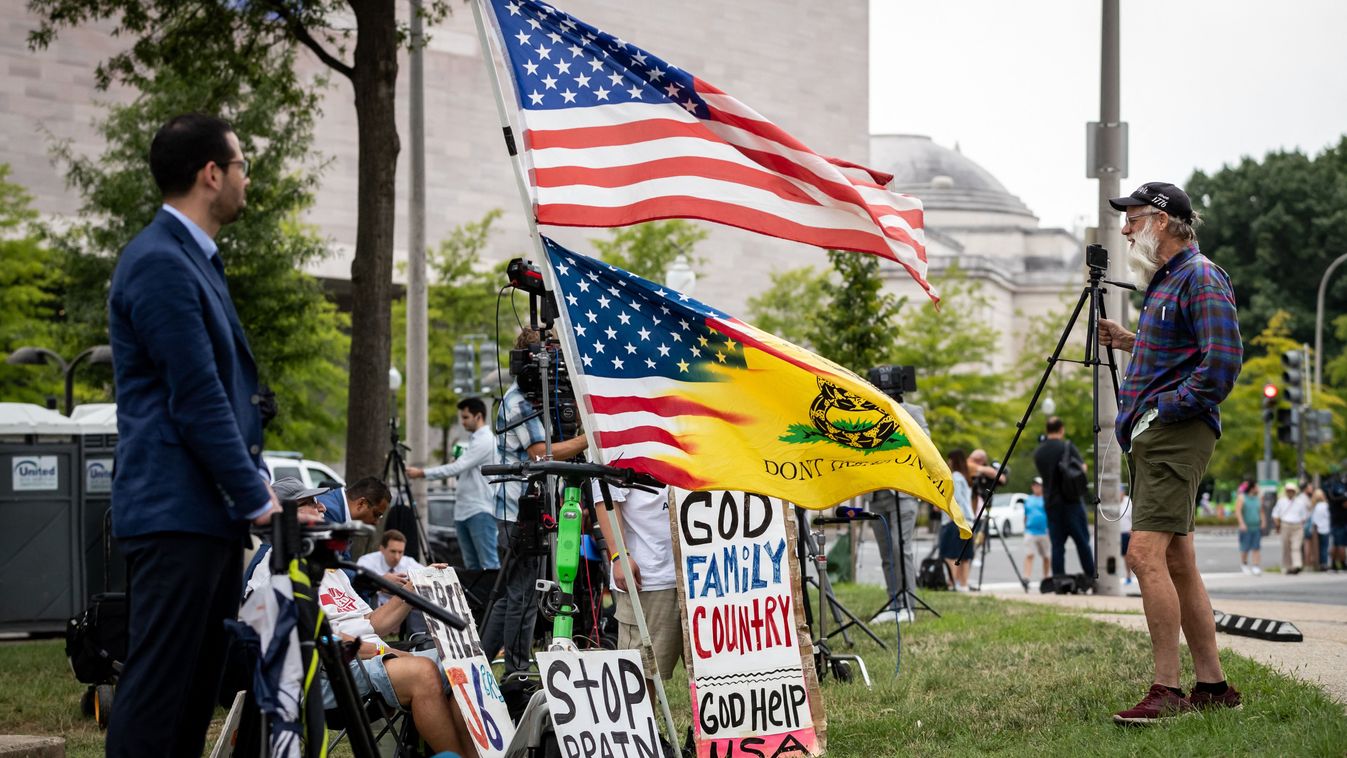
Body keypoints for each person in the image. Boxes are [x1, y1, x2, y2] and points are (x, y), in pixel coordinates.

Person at [104, 113, 282, 757]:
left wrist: (253, 478)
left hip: (204, 515)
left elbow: (219, 396)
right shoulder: (157, 261)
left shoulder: (193, 258)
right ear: (212, 174)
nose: (245, 178)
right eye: (241, 166)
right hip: (175, 514)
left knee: (189, 699)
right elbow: (197, 397)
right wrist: (256, 498)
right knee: (157, 697)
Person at [1098, 181, 1243, 723]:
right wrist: (1131, 341)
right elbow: (1181, 345)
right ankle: (1213, 686)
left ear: (1160, 223)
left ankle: (1167, 691)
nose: (1125, 227)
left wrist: (1169, 408)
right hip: (1158, 432)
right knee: (1178, 560)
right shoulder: (1167, 282)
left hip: (1173, 432)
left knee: (1143, 557)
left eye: (1132, 218)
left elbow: (1222, 361)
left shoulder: (1201, 275)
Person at [243, 533, 470, 755]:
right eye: (311, 503)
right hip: (326, 673)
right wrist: (386, 651)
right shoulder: (275, 571)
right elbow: (312, 638)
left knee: (458, 663)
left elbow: (371, 623)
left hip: (371, 662)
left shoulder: (332, 569)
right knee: (423, 671)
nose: (322, 508)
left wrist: (413, 587)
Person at [478, 327, 588, 677]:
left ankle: (482, 661)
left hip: (524, 507)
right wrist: (591, 438)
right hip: (518, 511)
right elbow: (541, 454)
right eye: (551, 358)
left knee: (512, 593)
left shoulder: (539, 399)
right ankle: (517, 671)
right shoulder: (517, 402)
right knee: (522, 596)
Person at [592, 480, 681, 681]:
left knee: (712, 671)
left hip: (704, 570)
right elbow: (606, 497)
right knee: (640, 674)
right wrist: (619, 555)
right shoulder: (614, 448)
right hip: (650, 575)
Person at [408, 397, 500, 570]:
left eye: (465, 417)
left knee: (488, 564)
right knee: (471, 566)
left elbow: (457, 467)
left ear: (478, 416)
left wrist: (422, 473)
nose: (462, 422)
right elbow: (461, 469)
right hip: (464, 511)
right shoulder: (474, 442)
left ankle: (492, 598)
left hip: (480, 510)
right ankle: (479, 597)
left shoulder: (486, 440)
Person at [868, 400, 930, 624]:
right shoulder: (866, 409)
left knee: (899, 548)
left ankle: (908, 604)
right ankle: (893, 604)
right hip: (876, 494)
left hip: (902, 494)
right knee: (886, 553)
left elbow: (924, 443)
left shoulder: (913, 411)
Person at [1032, 417, 1096, 579]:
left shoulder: (1039, 452)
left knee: (1057, 545)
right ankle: (1090, 576)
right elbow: (1081, 468)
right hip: (1071, 501)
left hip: (1051, 503)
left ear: (1047, 430)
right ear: (1061, 429)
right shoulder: (1066, 447)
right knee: (1082, 541)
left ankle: (1059, 579)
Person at [356, 529, 425, 607]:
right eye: (393, 551)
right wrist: (381, 582)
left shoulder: (409, 562)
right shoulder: (367, 561)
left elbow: (425, 576)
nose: (397, 557)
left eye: (400, 552)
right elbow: (358, 581)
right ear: (382, 549)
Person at [938, 449, 975, 592]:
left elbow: (956, 499)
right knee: (964, 556)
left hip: (954, 521)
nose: (948, 462)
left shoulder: (955, 477)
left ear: (954, 461)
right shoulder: (965, 478)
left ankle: (952, 583)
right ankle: (963, 584)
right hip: (967, 520)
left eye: (949, 459)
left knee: (950, 555)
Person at [1272, 482, 1308, 574]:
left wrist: (1301, 525)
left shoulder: (1300, 502)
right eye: (1288, 490)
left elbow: (1304, 516)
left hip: (1297, 526)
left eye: (1292, 490)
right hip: (1285, 525)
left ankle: (1297, 565)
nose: (1290, 492)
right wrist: (1277, 525)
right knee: (1286, 547)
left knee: (1296, 547)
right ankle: (1287, 566)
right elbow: (1275, 514)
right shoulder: (1281, 501)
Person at [1022, 478, 1050, 582]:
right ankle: (1026, 577)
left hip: (1044, 531)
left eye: (1038, 485)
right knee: (1029, 554)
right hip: (1030, 531)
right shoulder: (1028, 499)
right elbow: (1025, 515)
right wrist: (1024, 527)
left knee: (1046, 556)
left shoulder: (1046, 499)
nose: (1036, 487)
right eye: (1034, 485)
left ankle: (1046, 576)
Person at [1235, 480, 1265, 575]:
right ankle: (1244, 564)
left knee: (1256, 547)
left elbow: (1261, 511)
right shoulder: (1242, 498)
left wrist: (1263, 521)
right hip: (1246, 527)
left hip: (1256, 526)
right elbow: (1238, 511)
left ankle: (1256, 566)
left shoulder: (1258, 498)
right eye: (1257, 487)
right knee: (1245, 547)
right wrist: (1241, 523)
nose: (1258, 489)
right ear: (1252, 488)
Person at [1311, 488, 1331, 571]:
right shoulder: (1326, 505)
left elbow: (1313, 519)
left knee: (1317, 548)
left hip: (1317, 529)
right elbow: (1329, 517)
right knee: (1324, 547)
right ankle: (1324, 563)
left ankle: (1318, 564)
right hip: (1326, 528)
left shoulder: (1315, 507)